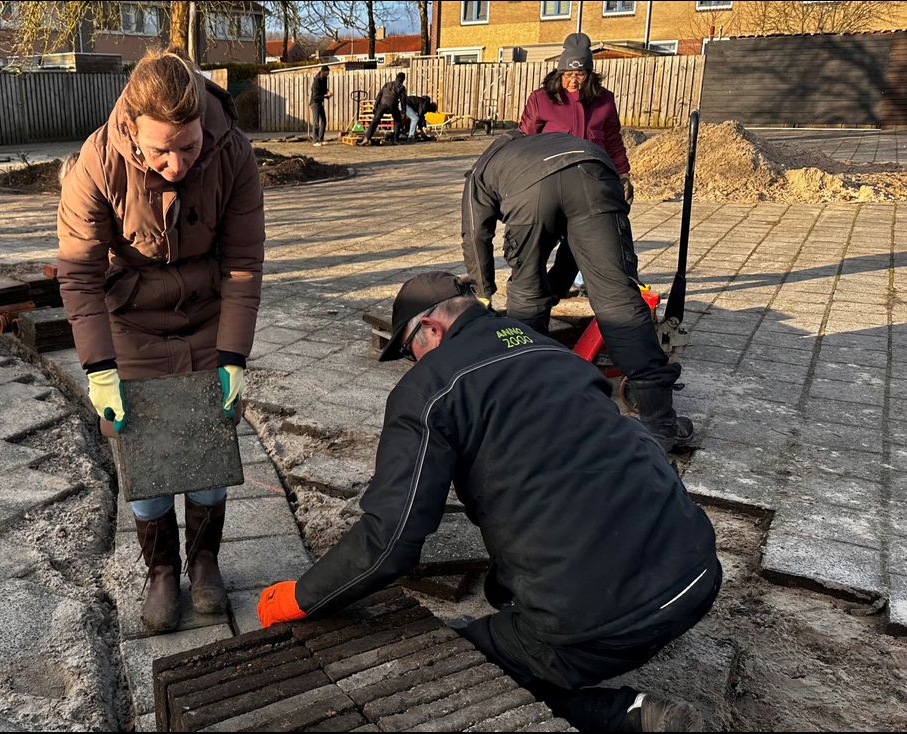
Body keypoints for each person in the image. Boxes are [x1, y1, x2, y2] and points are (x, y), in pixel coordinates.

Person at [256, 272, 721, 733]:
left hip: (597, 623)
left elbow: (391, 541)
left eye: (407, 350)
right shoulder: (551, 350)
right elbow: (566, 478)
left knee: (447, 675)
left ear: (432, 329)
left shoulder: (429, 390)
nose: (410, 364)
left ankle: (628, 716)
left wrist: (303, 597)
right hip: (696, 573)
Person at [57, 48, 265, 634]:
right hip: (132, 325)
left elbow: (245, 262)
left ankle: (204, 564)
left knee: (208, 448)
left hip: (207, 318)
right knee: (143, 453)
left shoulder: (234, 154)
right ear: (132, 129)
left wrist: (233, 355)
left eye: (189, 147)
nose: (176, 164)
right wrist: (100, 369)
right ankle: (161, 571)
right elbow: (78, 273)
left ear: (204, 123)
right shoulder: (96, 165)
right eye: (160, 151)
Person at [461, 130, 692, 450]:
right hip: (594, 169)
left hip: (531, 192)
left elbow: (475, 235)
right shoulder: (544, 141)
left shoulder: (482, 170)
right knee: (617, 297)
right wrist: (555, 288)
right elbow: (575, 243)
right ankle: (660, 423)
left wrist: (484, 292)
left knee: (526, 291)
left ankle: (527, 410)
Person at [519, 33, 632, 299]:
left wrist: (623, 174)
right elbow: (523, 141)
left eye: (579, 74)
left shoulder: (604, 101)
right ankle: (527, 288)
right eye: (568, 74)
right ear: (559, 72)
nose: (573, 80)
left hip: (589, 186)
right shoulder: (541, 99)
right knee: (540, 241)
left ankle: (558, 289)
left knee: (580, 242)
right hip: (548, 184)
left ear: (589, 74)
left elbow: (613, 140)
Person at [359, 72, 406, 145]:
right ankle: (395, 140)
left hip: (382, 105)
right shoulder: (402, 87)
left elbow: (379, 95)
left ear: (396, 77)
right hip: (392, 106)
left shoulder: (387, 84)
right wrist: (403, 112)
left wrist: (375, 107)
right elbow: (403, 101)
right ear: (403, 79)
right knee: (398, 121)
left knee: (375, 121)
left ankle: (366, 138)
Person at [309, 65, 333, 146]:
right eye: (326, 73)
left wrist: (328, 92)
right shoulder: (317, 80)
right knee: (316, 122)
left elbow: (324, 89)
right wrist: (325, 96)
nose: (327, 75)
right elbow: (315, 96)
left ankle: (321, 139)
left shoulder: (324, 79)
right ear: (322, 72)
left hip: (320, 102)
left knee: (324, 120)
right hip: (314, 103)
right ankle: (315, 141)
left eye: (328, 74)